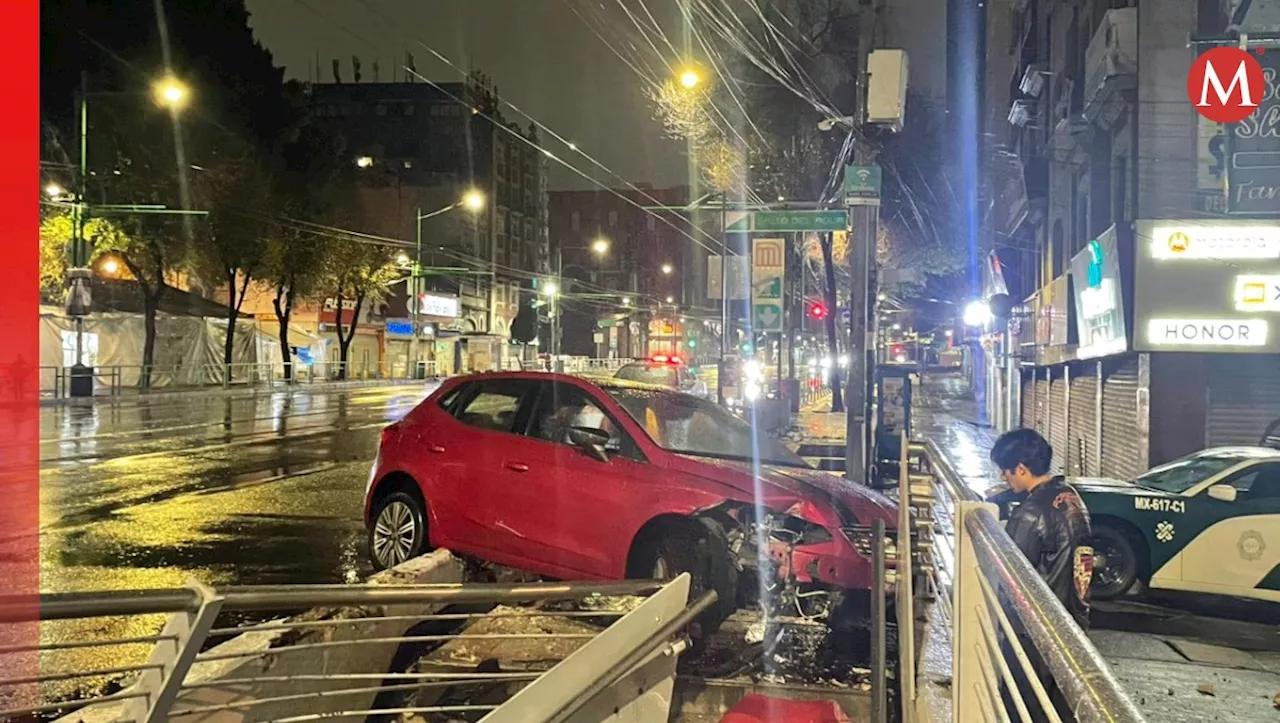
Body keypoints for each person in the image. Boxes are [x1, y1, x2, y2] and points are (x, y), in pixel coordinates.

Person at [989, 428, 1094, 721]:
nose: (1003, 478)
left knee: (1023, 708)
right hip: (1072, 624)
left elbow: (1009, 574)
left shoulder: (1030, 514)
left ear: (1021, 469)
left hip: (1033, 634)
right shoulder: (1072, 498)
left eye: (1006, 471)